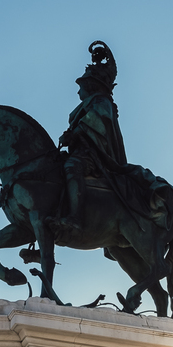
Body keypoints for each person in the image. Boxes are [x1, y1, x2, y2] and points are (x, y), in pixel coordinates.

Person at [54, 41, 127, 241]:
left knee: (72, 167)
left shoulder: (101, 102)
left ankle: (75, 217)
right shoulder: (90, 104)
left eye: (81, 87)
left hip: (95, 155)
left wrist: (75, 134)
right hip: (80, 151)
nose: (78, 92)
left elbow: (97, 123)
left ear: (90, 86)